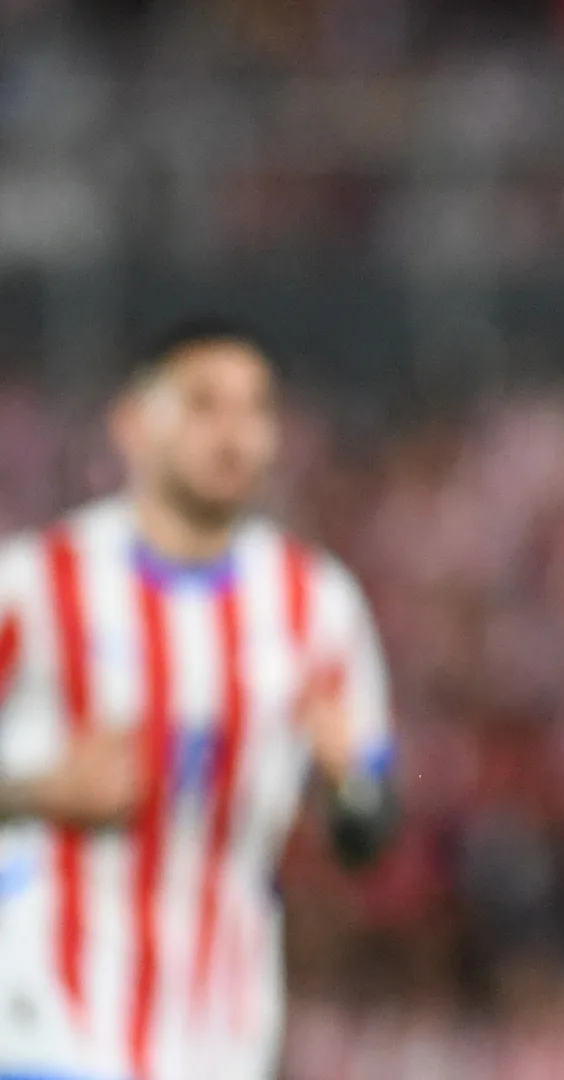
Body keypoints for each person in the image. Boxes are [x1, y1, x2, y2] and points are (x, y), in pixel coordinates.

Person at [0, 320, 398, 1080]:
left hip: (221, 1027)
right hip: (41, 1007)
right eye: (203, 404)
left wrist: (352, 788)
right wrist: (33, 792)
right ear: (132, 424)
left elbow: (370, 833)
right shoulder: (36, 584)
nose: (233, 434)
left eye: (255, 410)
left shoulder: (317, 605)